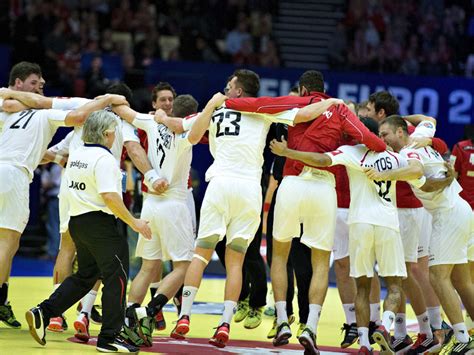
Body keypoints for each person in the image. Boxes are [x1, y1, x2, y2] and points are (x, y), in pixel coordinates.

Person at [225, 70, 386, 354]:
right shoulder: (338, 108)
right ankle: (310, 325)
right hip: (324, 187)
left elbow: (248, 104)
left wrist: (223, 100)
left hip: (292, 184)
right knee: (321, 261)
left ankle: (283, 319)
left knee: (280, 254)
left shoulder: (294, 104)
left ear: (302, 89)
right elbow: (375, 143)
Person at [170, 87, 342, 348]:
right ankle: (225, 322)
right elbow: (304, 113)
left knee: (200, 254)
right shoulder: (264, 110)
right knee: (236, 261)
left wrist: (168, 115)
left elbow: (189, 133)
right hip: (249, 189)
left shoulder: (216, 109)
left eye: (230, 86)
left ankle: (184, 316)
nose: (226, 90)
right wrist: (332, 102)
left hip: (219, 185)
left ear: (238, 90)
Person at [269, 116, 423, 354]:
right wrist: (390, 175)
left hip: (360, 223)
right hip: (387, 224)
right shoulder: (395, 157)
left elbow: (320, 159)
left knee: (361, 287)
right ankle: (385, 325)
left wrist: (288, 152)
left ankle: (363, 342)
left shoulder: (352, 152)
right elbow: (417, 170)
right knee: (394, 285)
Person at [0, 66, 125, 330]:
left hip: (35, 174)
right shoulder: (51, 113)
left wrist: (58, 159)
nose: (41, 86)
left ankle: (28, 306)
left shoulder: (8, 107)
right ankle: (78, 311)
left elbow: (44, 148)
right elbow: (79, 116)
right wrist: (107, 100)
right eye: (36, 82)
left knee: (63, 248)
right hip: (22, 176)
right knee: (8, 244)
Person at [25, 110, 152, 354]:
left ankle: (43, 312)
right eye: (114, 132)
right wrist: (134, 222)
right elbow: (110, 197)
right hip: (99, 225)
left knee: (85, 276)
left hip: (78, 222)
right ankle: (110, 337)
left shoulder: (78, 154)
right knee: (117, 277)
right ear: (106, 134)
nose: (115, 137)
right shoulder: (104, 160)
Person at [374, 115, 474, 354]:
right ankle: (464, 336)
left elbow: (424, 179)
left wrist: (386, 175)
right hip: (459, 209)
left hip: (447, 213)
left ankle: (461, 337)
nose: (382, 139)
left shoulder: (407, 154)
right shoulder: (420, 136)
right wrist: (406, 120)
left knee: (438, 277)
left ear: (400, 132)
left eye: (385, 134)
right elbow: (428, 118)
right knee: (460, 280)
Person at [111, 95, 198, 347]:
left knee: (148, 268)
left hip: (150, 204)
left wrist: (112, 99)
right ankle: (150, 312)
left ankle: (127, 319)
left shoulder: (150, 121)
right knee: (183, 266)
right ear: (190, 115)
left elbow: (125, 112)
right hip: (174, 203)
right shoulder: (187, 132)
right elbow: (195, 124)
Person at [450, 128, 474, 335]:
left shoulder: (461, 148)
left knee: (461, 276)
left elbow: (450, 178)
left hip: (463, 215)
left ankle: (467, 326)